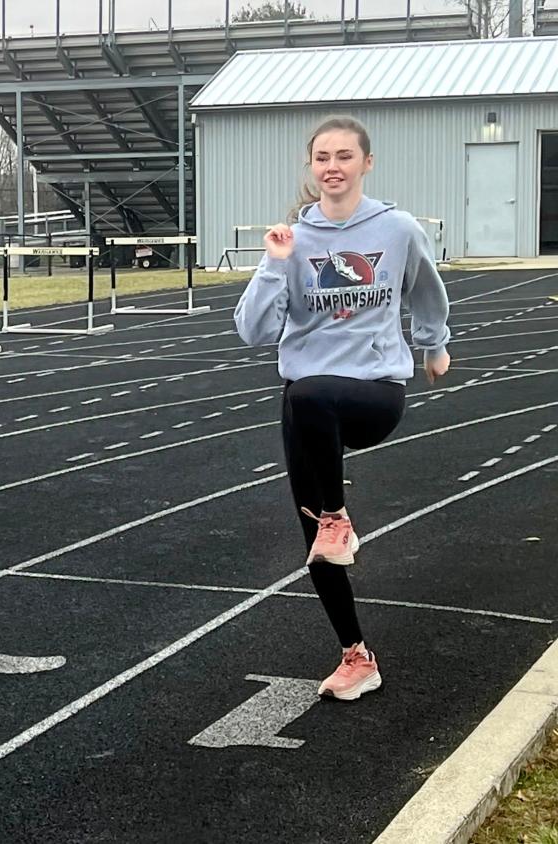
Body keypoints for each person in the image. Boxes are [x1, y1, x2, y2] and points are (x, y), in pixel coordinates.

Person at [234, 115, 451, 701]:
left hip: (374, 392)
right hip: (307, 407)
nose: (333, 166)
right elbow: (253, 332)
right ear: (312, 167)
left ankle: (338, 516)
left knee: (310, 395)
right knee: (316, 543)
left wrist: (434, 344)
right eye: (322, 156)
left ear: (366, 163)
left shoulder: (397, 229)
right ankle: (356, 656)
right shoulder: (293, 240)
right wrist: (275, 264)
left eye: (345, 156)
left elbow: (426, 288)